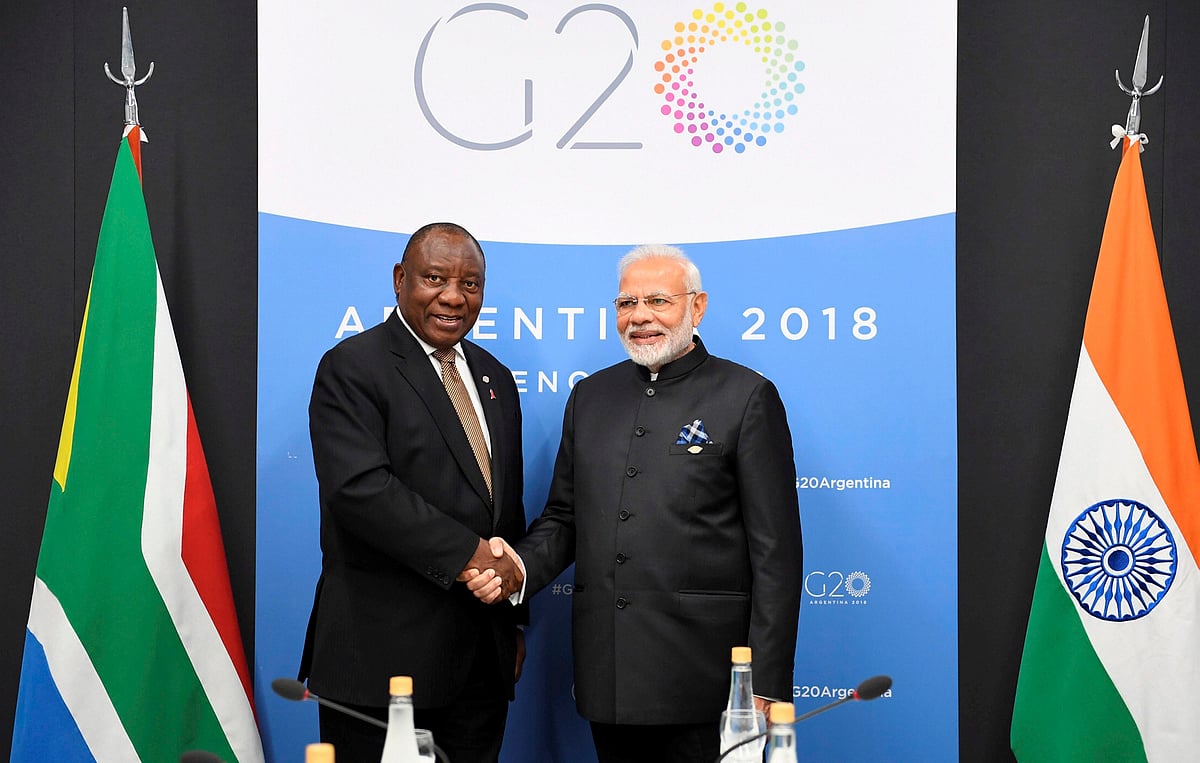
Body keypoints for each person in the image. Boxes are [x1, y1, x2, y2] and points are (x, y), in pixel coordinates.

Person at [470, 244, 803, 762]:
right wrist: (516, 567)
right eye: (626, 303)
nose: (640, 317)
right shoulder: (591, 397)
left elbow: (776, 553)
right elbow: (564, 517)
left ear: (697, 307)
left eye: (657, 301)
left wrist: (765, 681)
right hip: (611, 677)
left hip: (709, 680)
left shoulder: (746, 396)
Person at [300, 222, 527, 763]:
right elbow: (361, 491)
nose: (453, 296)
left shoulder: (495, 377)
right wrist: (470, 556)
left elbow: (504, 507)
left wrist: (512, 616)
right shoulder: (352, 368)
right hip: (382, 661)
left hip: (480, 662)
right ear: (401, 279)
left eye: (470, 284)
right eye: (434, 278)